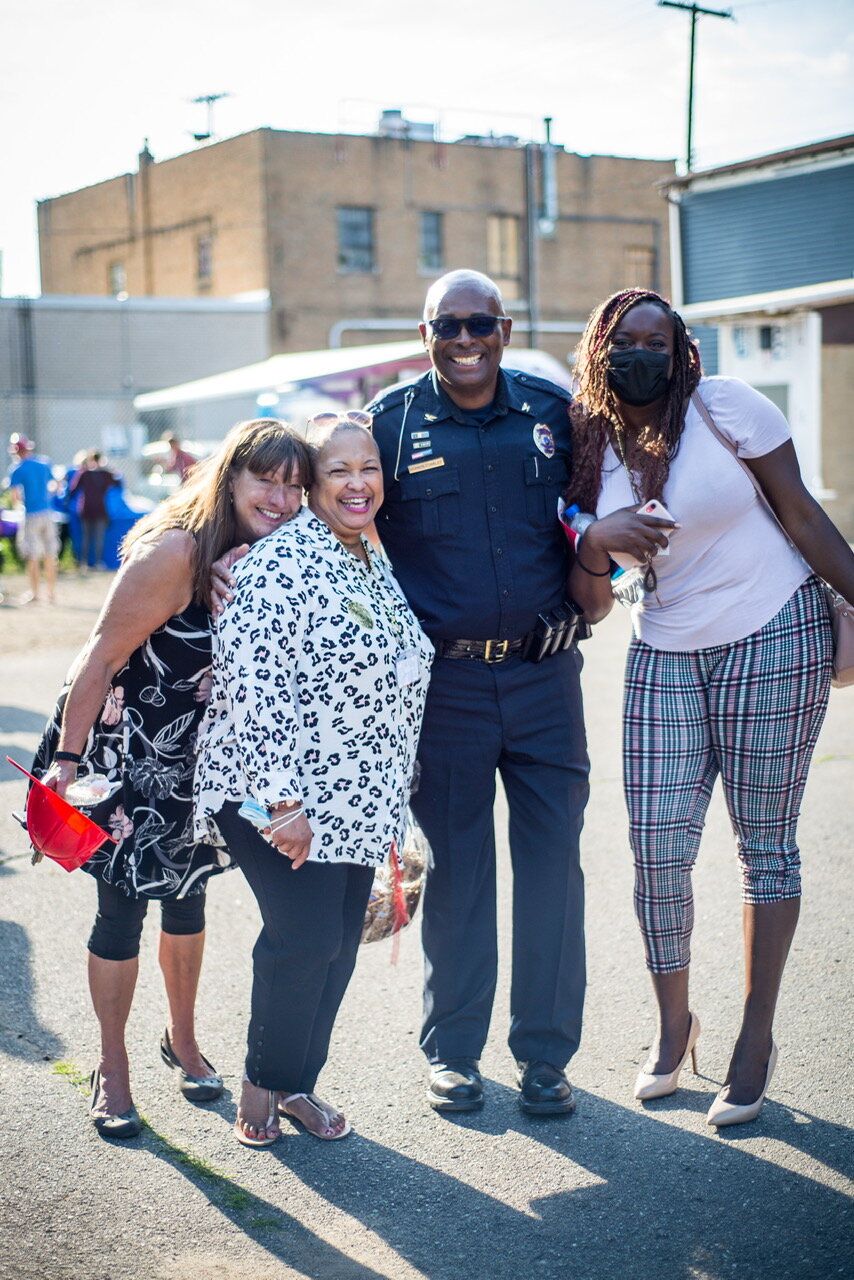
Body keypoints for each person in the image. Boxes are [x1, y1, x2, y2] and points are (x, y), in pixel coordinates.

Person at [565, 287, 854, 1127]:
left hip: (774, 630)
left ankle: (755, 1041)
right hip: (664, 645)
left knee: (764, 843)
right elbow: (585, 576)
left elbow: (804, 516)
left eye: (659, 340)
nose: (642, 353)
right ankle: (672, 1027)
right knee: (655, 848)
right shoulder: (592, 443)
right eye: (627, 339)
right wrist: (597, 540)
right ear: (601, 348)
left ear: (683, 350)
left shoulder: (727, 408)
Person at [33, 419, 311, 1139]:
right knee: (120, 912)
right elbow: (96, 659)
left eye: (293, 485)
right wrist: (67, 765)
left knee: (187, 904)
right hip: (119, 759)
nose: (281, 498)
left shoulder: (270, 553)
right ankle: (112, 1067)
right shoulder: (178, 551)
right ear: (230, 477)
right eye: (266, 480)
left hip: (196, 766)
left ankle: (181, 1040)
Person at [366, 270, 589, 1116]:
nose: (466, 340)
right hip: (446, 685)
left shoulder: (549, 413)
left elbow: (592, 515)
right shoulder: (391, 425)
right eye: (448, 325)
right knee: (457, 872)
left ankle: (545, 1058)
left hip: (543, 676)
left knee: (551, 873)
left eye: (480, 324)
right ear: (425, 331)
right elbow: (332, 517)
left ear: (503, 326)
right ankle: (453, 1052)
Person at [194, 414, 432, 1147]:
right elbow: (257, 687)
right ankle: (260, 1086)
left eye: (369, 468)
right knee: (301, 939)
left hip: (361, 797)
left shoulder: (369, 557)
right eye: (339, 471)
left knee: (334, 941)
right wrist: (282, 805)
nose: (358, 483)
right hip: (276, 794)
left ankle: (299, 1083)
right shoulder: (275, 564)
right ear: (313, 485)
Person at [7, 433, 59, 604]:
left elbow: (15, 497)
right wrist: (47, 497)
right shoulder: (44, 463)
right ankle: (50, 593)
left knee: (32, 554)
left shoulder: (17, 469)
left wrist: (21, 503)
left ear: (16, 451)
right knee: (50, 553)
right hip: (48, 513)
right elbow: (56, 485)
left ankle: (35, 593)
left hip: (31, 514)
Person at [69, 450, 118, 572]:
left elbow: (72, 490)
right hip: (100, 509)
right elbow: (118, 483)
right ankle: (97, 562)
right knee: (98, 537)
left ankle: (84, 563)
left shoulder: (84, 474)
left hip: (86, 509)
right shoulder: (105, 474)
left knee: (85, 537)